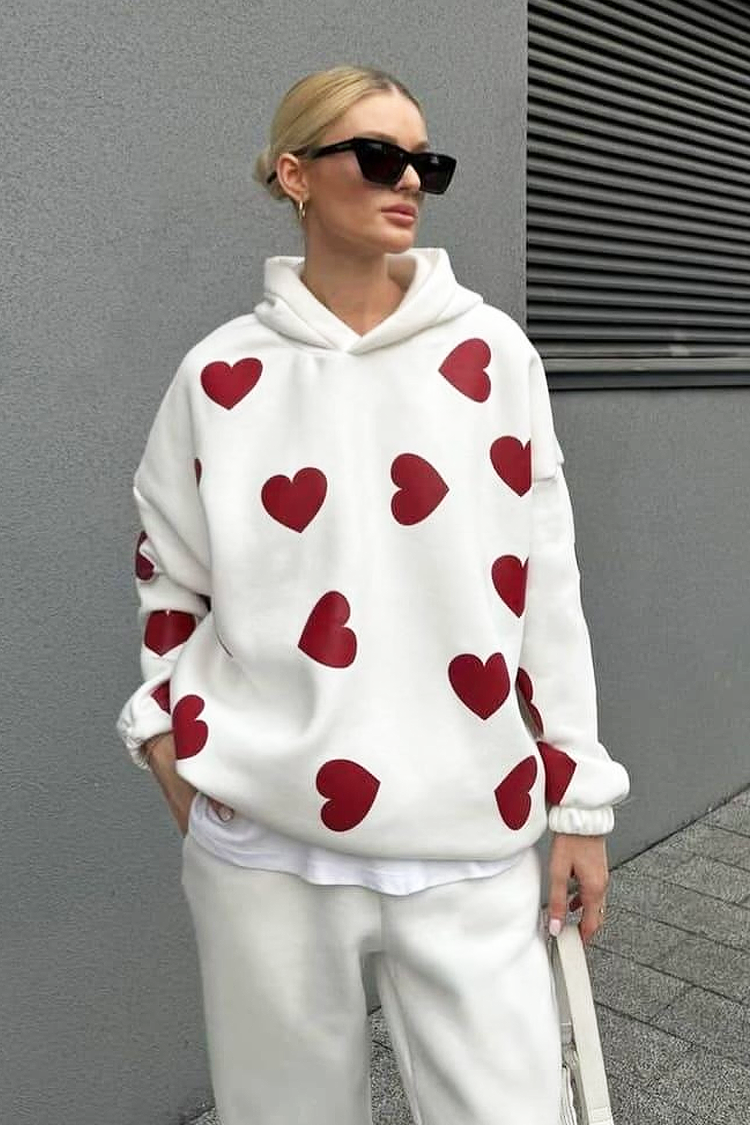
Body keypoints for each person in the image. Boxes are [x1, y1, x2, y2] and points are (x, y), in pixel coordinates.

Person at [117, 65, 630, 1125]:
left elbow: (545, 585)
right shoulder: (219, 376)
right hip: (264, 841)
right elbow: (169, 569)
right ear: (295, 174)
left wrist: (578, 800)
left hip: (468, 832)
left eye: (426, 164)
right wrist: (164, 734)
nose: (408, 182)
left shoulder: (492, 358)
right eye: (379, 156)